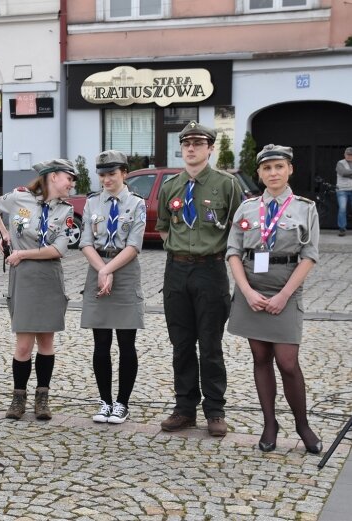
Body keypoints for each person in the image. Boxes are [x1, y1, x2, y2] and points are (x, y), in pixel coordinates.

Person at [227, 144, 322, 454]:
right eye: (267, 168)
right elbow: (233, 253)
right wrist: (246, 291)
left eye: (279, 167)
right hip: (252, 288)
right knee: (260, 358)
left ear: (290, 169)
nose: (273, 173)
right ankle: (270, 424)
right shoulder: (247, 208)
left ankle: (302, 424)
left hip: (287, 288)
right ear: (260, 174)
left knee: (288, 362)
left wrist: (284, 295)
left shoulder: (305, 208)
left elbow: (309, 255)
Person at [156, 121, 242, 437]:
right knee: (181, 345)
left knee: (210, 345)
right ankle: (184, 409)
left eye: (198, 143)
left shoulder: (227, 184)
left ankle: (215, 411)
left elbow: (238, 226)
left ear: (209, 148)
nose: (191, 148)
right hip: (177, 270)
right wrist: (180, 250)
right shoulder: (171, 186)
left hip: (211, 270)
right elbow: (165, 227)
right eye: (186, 143)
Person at [0, 159, 76, 421]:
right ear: (52, 177)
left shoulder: (66, 211)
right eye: (68, 178)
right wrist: (4, 234)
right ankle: (18, 398)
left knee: (46, 341)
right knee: (24, 345)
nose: (71, 183)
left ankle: (42, 397)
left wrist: (21, 253)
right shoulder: (18, 199)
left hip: (49, 276)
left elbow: (58, 249)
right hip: (23, 277)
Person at [79, 151, 146, 424]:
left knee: (126, 342)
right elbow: (85, 242)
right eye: (102, 174)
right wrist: (101, 269)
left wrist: (108, 269)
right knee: (101, 342)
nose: (106, 179)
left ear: (124, 173)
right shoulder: (92, 203)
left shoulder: (136, 203)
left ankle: (122, 403)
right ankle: (105, 401)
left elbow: (134, 245)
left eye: (112, 174)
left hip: (124, 271)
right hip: (97, 268)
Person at [335, 147, 352, 237]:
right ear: (344, 154)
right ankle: (342, 229)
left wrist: (348, 173)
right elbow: (343, 172)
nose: (349, 156)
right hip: (342, 190)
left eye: (351, 155)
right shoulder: (340, 163)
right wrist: (348, 173)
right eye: (347, 154)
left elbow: (346, 173)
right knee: (342, 209)